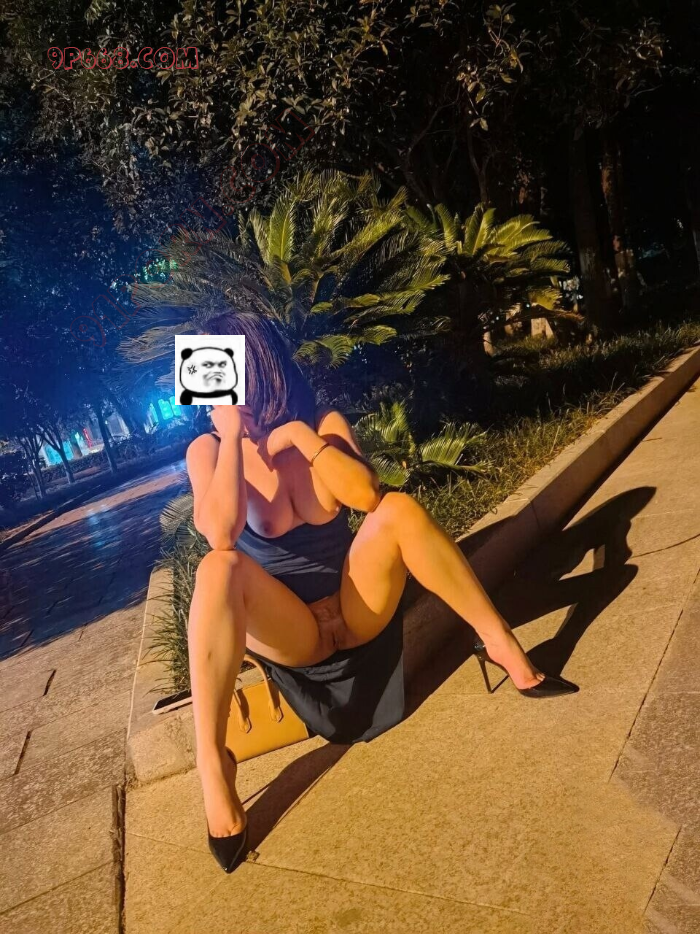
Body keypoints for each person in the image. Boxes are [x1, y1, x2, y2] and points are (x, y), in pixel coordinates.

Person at [185, 309, 579, 873]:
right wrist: (229, 436)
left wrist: (301, 438)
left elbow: (367, 496)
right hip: (294, 635)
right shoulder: (207, 451)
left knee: (397, 509)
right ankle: (214, 765)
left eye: (220, 365)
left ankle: (500, 644)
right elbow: (220, 534)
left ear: (255, 365)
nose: (210, 381)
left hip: (356, 611)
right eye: (203, 370)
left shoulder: (322, 423)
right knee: (215, 569)